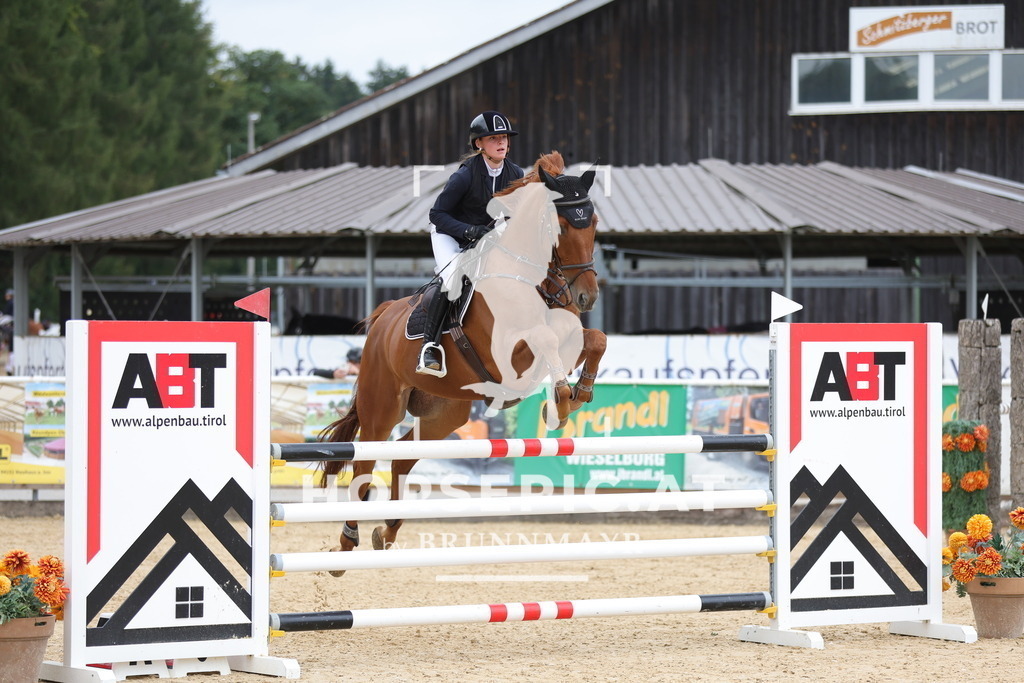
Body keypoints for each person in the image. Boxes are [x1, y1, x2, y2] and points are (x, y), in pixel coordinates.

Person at [417, 111, 525, 377]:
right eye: (493, 138)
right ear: (479, 144)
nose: (502, 143)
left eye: (504, 138)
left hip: (486, 236)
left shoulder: (516, 173)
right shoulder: (464, 175)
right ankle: (429, 346)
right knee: (453, 278)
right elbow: (437, 215)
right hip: (449, 234)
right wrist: (467, 230)